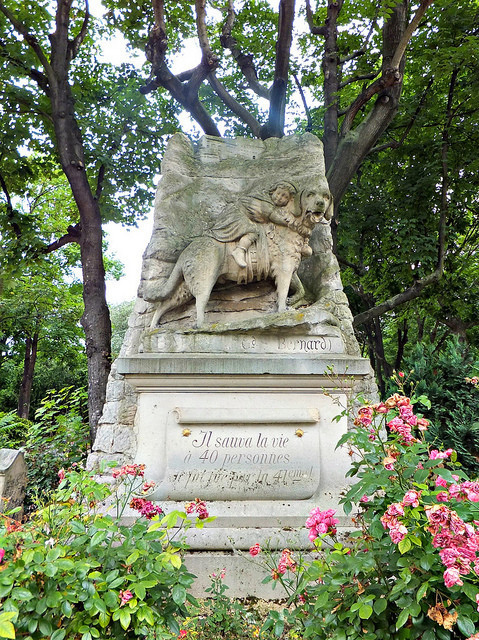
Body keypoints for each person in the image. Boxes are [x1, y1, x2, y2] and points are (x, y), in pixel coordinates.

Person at [209, 181, 298, 268]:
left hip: (239, 216)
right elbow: (272, 216)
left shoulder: (270, 204)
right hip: (235, 216)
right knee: (253, 230)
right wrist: (292, 224)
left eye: (284, 197)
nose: (279, 198)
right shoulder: (264, 201)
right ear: (273, 191)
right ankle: (239, 250)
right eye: (279, 193)